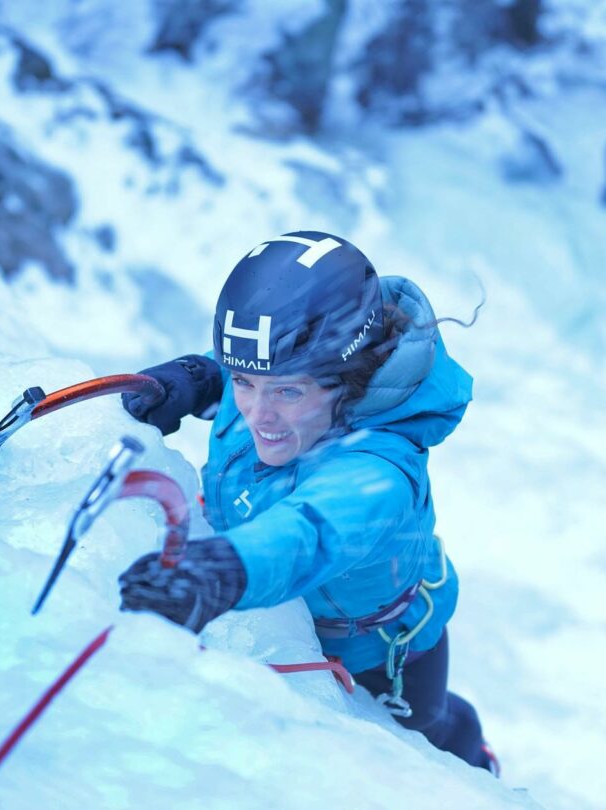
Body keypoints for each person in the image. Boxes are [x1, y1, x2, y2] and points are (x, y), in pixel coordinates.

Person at [119, 231, 498, 774]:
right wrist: (198, 378)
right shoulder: (283, 374)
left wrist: (219, 573)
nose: (256, 413)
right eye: (244, 383)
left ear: (348, 379)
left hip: (382, 654)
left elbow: (311, 531)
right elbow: (250, 368)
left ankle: (478, 760)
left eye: (287, 393)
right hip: (287, 610)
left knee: (429, 738)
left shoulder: (377, 472)